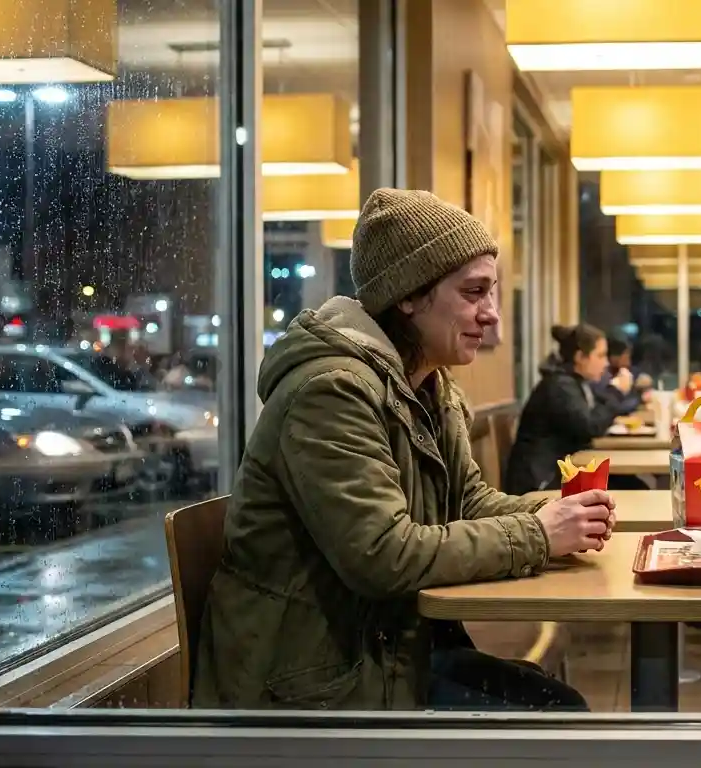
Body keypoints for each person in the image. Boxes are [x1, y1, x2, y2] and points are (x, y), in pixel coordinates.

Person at [191, 189, 616, 712]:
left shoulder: (431, 387)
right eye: (474, 292)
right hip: (312, 686)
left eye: (493, 293)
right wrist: (538, 533)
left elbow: (470, 505)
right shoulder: (331, 391)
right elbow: (383, 555)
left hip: (388, 651)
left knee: (556, 705)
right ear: (409, 295)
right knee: (555, 716)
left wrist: (559, 515)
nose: (492, 316)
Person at [505, 324, 639, 494]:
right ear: (580, 357)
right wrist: (616, 391)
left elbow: (589, 419)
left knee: (632, 485)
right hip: (540, 482)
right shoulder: (560, 386)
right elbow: (590, 426)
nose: (606, 363)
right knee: (632, 488)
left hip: (556, 473)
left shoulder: (570, 382)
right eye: (600, 355)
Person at [598, 335, 652, 416]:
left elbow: (639, 376)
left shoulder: (626, 371)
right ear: (614, 357)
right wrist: (639, 399)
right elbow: (618, 407)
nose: (628, 362)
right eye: (626, 357)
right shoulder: (603, 377)